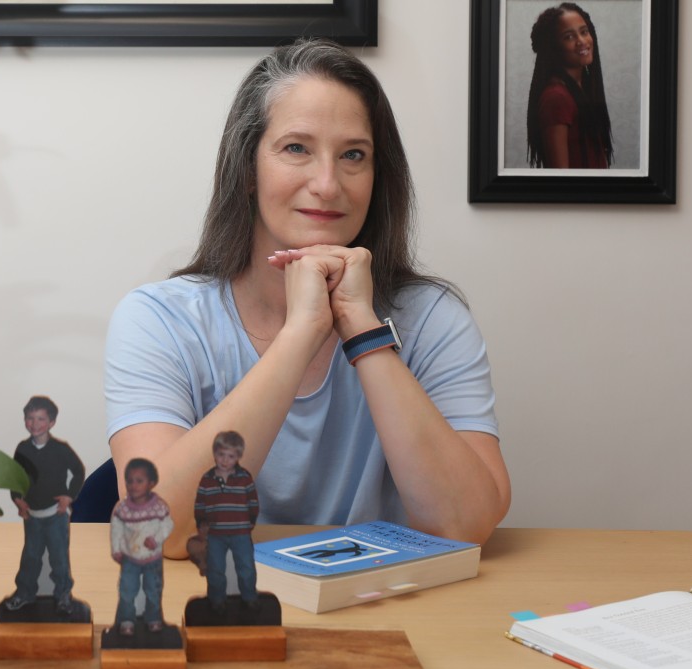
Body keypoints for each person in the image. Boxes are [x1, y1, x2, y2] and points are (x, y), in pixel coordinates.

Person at [105, 37, 510, 559]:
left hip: (385, 608)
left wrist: (361, 329)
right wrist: (301, 334)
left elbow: (465, 526)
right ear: (247, 170)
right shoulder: (156, 319)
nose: (327, 183)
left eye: (353, 156)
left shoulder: (433, 319)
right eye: (296, 148)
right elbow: (153, 534)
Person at [5, 395, 85, 614]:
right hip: (32, 516)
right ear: (24, 420)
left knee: (59, 559)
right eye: (30, 418)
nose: (35, 424)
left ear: (51, 422)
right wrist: (17, 498)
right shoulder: (22, 449)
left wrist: (69, 496)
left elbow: (78, 472)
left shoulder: (61, 449)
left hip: (56, 515)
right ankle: (24, 593)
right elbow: (15, 477)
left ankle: (63, 596)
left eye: (41, 419)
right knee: (30, 558)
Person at [527, 3, 613, 169]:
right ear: (553, 48)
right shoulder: (557, 97)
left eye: (584, 32)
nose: (582, 41)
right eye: (569, 37)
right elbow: (560, 179)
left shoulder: (580, 88)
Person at [194, 431, 260, 612]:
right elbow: (200, 504)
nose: (224, 460)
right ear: (214, 453)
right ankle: (216, 601)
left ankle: (250, 599)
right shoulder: (207, 479)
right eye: (221, 454)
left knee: (246, 567)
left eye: (230, 456)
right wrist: (201, 525)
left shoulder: (245, 477)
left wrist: (250, 523)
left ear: (238, 457)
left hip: (241, 532)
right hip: (215, 534)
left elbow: (253, 502)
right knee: (215, 569)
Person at [110, 458, 173, 635]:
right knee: (127, 591)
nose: (133, 486)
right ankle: (127, 620)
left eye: (139, 481)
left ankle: (153, 619)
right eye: (129, 481)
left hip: (152, 559)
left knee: (153, 591)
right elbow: (117, 529)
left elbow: (168, 525)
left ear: (151, 483)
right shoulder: (122, 509)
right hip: (130, 558)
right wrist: (116, 548)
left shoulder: (159, 507)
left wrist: (157, 539)